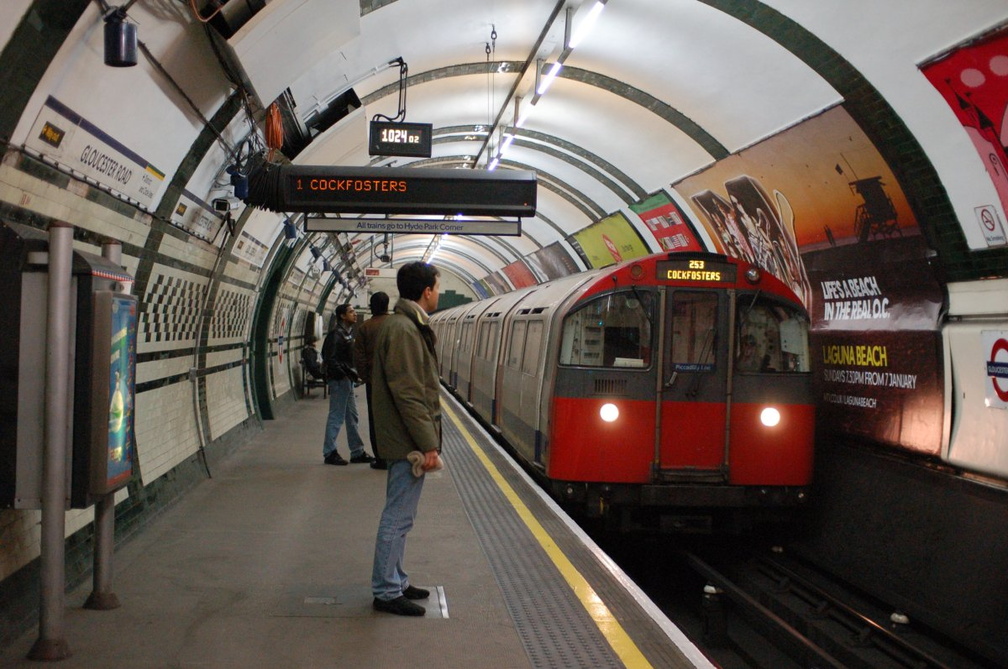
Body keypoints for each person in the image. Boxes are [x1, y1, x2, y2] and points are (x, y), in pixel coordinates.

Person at [370, 262, 443, 617]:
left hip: (404, 438)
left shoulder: (406, 325)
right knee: (397, 517)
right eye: (437, 287)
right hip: (405, 442)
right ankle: (386, 591)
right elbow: (409, 392)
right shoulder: (403, 329)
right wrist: (428, 444)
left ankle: (396, 580)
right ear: (426, 290)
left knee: (403, 516)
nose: (438, 293)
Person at [320, 304, 374, 466]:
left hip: (346, 380)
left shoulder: (346, 334)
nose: (355, 314)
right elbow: (331, 359)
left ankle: (357, 451)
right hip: (339, 380)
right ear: (342, 316)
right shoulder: (336, 335)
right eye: (351, 312)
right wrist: (347, 373)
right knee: (336, 415)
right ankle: (329, 451)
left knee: (352, 416)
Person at [353, 291, 391, 470]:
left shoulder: (365, 328)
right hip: (395, 381)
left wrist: (365, 376)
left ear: (371, 306)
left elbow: (359, 356)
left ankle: (381, 458)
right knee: (394, 418)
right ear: (387, 305)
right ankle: (395, 455)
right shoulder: (396, 325)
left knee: (375, 419)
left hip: (374, 382)